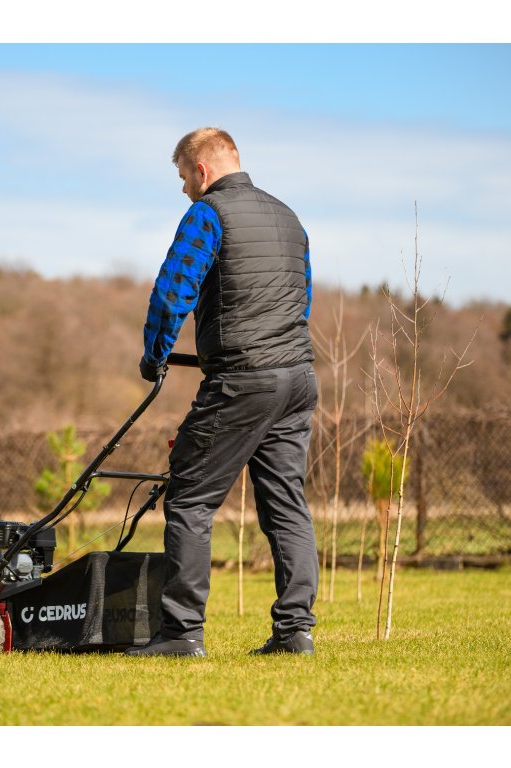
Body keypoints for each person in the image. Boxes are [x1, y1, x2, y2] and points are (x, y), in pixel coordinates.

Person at [125, 127, 319, 658]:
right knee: (286, 504)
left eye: (183, 176)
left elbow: (173, 292)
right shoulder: (288, 218)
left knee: (190, 497)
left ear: (202, 170)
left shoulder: (208, 214)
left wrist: (155, 354)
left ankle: (182, 633)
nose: (184, 188)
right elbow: (301, 300)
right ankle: (295, 632)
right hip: (297, 378)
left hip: (242, 379)